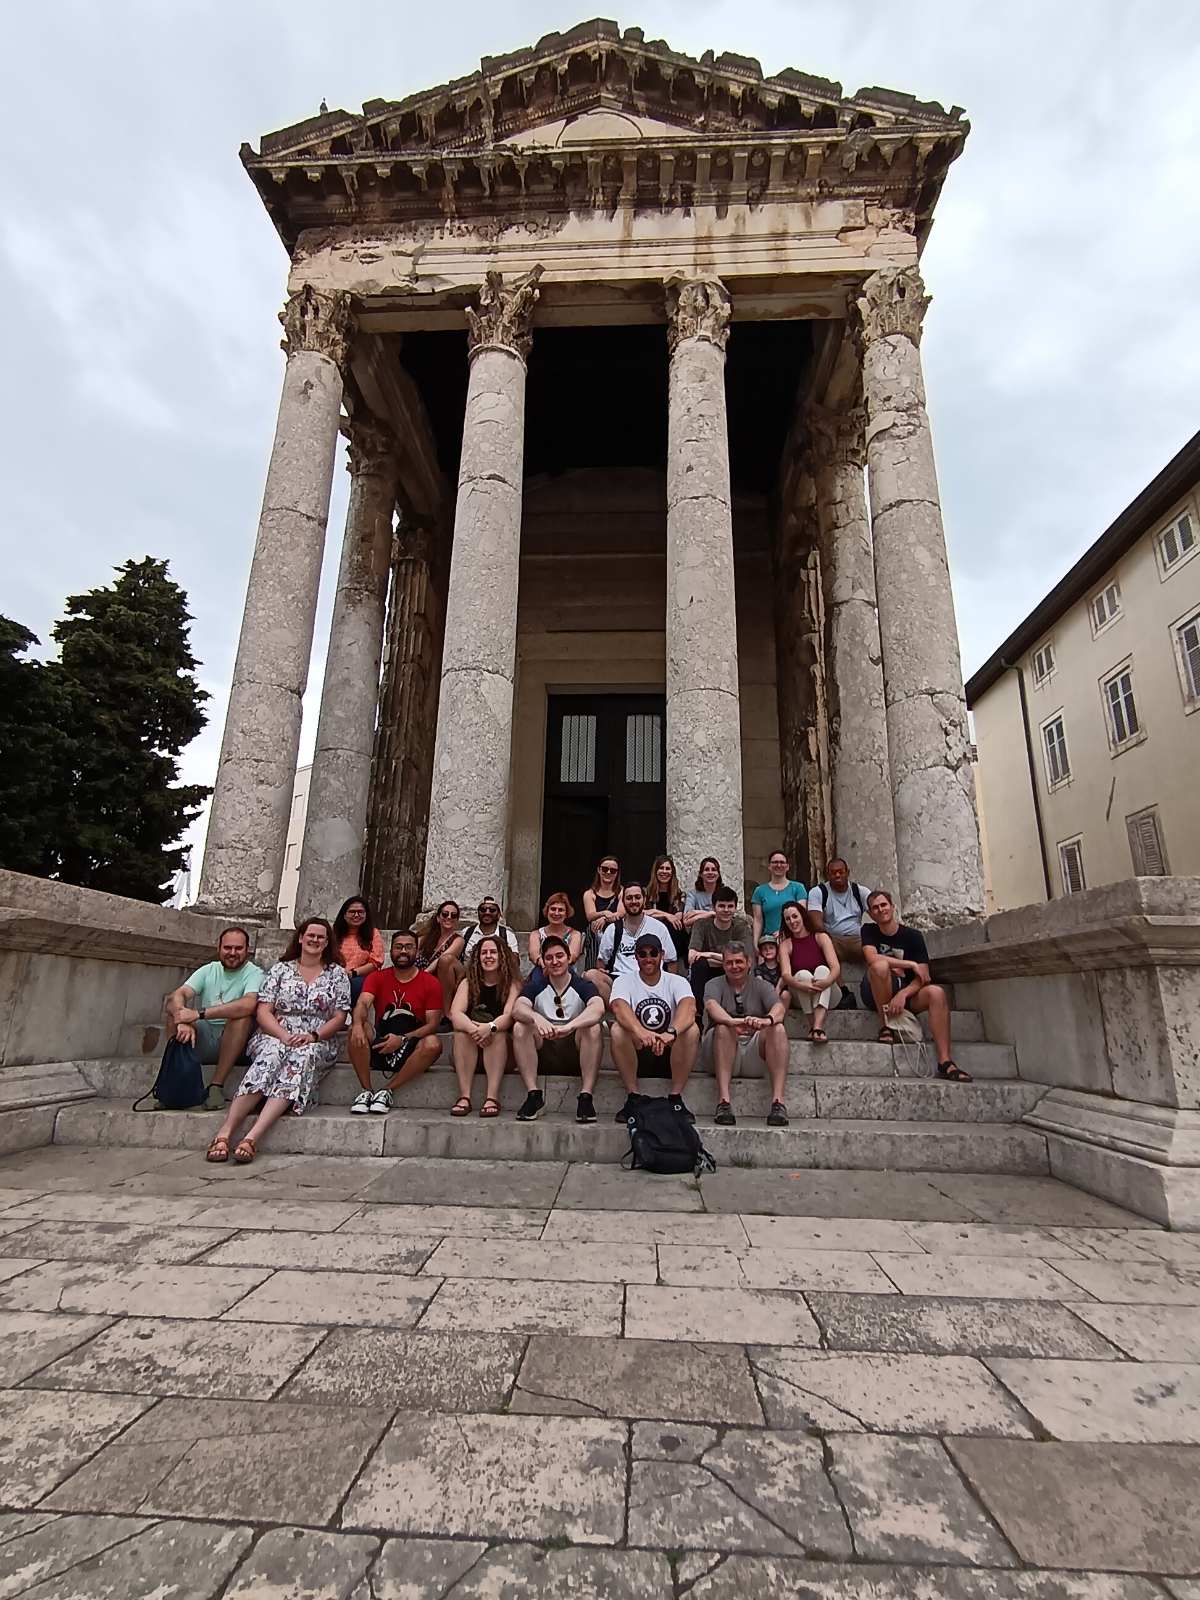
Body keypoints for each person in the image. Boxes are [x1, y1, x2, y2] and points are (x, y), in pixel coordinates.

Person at [205, 918, 349, 1165]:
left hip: (316, 1038)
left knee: (301, 1058)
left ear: (327, 942)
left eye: (320, 937)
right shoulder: (280, 970)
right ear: (301, 938)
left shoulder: (337, 974)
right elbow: (263, 1011)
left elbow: (340, 1016)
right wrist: (283, 1036)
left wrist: (312, 1036)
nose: (314, 940)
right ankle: (225, 1132)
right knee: (271, 1056)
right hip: (275, 1033)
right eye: (310, 935)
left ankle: (251, 1138)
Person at [860, 891, 971, 1080]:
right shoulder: (869, 930)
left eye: (884, 905)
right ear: (871, 914)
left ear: (893, 907)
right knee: (880, 966)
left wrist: (903, 995)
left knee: (936, 992)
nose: (881, 910)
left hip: (906, 993)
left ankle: (945, 1061)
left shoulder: (913, 936)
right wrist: (910, 964)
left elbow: (924, 976)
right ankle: (885, 1026)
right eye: (875, 908)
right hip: (876, 991)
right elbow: (872, 958)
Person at [165, 926, 264, 1111]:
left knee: (241, 1018)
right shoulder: (209, 969)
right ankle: (174, 1083)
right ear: (218, 948)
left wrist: (199, 1014)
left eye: (238, 948)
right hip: (206, 1036)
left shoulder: (255, 973)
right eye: (227, 948)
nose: (232, 953)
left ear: (247, 950)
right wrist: (182, 1018)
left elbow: (249, 1004)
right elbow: (177, 995)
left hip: (238, 1043)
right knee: (173, 1013)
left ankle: (216, 1087)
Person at [347, 930, 443, 1115]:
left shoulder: (430, 982)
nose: (403, 951)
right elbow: (363, 1003)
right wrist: (358, 1024)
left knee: (433, 1043)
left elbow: (432, 1025)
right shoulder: (377, 977)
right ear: (391, 950)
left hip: (410, 1044)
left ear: (417, 951)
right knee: (355, 1029)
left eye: (409, 947)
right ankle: (366, 1090)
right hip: (381, 1040)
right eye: (398, 947)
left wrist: (402, 1039)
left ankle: (386, 1091)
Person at [512, 935, 605, 1123]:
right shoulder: (536, 985)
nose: (555, 962)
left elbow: (598, 1008)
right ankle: (533, 1095)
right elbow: (518, 1008)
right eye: (549, 958)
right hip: (544, 1048)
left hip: (575, 1050)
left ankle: (586, 1097)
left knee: (593, 1028)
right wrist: (536, 1018)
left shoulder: (582, 984)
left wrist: (571, 1026)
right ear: (543, 961)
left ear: (569, 957)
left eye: (559, 956)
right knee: (520, 1027)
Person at [609, 932, 699, 1123]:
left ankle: (675, 1098)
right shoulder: (623, 981)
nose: (648, 958)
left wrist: (670, 1033)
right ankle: (633, 1097)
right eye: (643, 954)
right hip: (638, 1049)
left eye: (653, 953)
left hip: (671, 1051)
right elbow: (619, 1007)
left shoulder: (677, 981)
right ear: (636, 957)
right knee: (617, 1030)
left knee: (691, 1030)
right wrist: (642, 1033)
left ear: (662, 955)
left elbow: (689, 1007)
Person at [703, 942, 791, 1127]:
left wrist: (766, 1021)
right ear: (723, 964)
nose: (734, 967)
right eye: (729, 963)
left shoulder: (762, 985)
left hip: (753, 1050)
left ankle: (778, 1102)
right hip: (722, 1051)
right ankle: (724, 1102)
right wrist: (733, 1022)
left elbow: (779, 1008)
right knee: (723, 1027)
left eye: (739, 962)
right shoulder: (713, 984)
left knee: (778, 1029)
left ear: (749, 962)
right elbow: (712, 1007)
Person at [448, 934, 522, 1117]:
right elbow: (455, 1014)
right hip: (469, 1050)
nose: (488, 956)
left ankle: (492, 1097)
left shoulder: (512, 984)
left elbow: (509, 1016)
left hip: (501, 1053)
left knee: (498, 1033)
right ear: (477, 957)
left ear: (502, 956)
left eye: (493, 952)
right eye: (484, 953)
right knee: (460, 1032)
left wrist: (489, 1027)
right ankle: (464, 1096)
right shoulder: (468, 983)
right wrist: (475, 1030)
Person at [586, 881, 675, 1004]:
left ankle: (628, 1015)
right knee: (591, 975)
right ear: (623, 902)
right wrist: (602, 970)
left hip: (651, 979)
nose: (633, 901)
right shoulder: (613, 929)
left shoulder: (659, 927)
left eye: (637, 897)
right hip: (620, 980)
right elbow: (601, 962)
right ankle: (621, 1013)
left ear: (644, 900)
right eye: (629, 898)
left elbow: (671, 961)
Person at [778, 900, 842, 1043]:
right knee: (802, 974)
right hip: (802, 993)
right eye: (787, 919)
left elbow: (835, 968)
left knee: (822, 969)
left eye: (795, 916)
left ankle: (816, 1027)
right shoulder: (785, 945)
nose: (792, 921)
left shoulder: (821, 937)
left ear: (802, 916)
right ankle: (816, 1029)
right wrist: (803, 986)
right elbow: (786, 975)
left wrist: (826, 982)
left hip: (829, 991)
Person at [686, 884, 754, 1005]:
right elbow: (691, 957)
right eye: (722, 906)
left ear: (735, 908)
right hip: (707, 972)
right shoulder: (701, 924)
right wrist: (728, 959)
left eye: (730, 906)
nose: (726, 910)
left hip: (732, 971)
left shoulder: (741, 926)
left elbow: (746, 959)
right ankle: (698, 1014)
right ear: (713, 907)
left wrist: (709, 955)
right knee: (698, 965)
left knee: (738, 965)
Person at [808, 859, 873, 964]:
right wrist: (828, 941)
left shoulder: (860, 891)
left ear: (848, 872)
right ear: (827, 875)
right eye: (833, 873)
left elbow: (878, 913)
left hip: (857, 938)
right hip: (833, 938)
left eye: (841, 872)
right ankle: (837, 980)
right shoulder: (818, 892)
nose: (837, 875)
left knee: (874, 946)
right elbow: (816, 924)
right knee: (824, 943)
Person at [332, 896, 385, 1004]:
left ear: (366, 915)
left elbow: (376, 961)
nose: (356, 915)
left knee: (356, 984)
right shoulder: (333, 934)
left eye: (360, 912)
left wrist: (353, 973)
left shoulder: (373, 934)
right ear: (344, 915)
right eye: (352, 912)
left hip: (360, 978)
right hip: (335, 976)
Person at [416, 900, 467, 1012]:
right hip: (425, 978)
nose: (449, 917)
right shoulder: (425, 938)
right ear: (438, 918)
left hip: (447, 979)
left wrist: (422, 975)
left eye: (453, 915)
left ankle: (446, 1013)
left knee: (445, 960)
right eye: (445, 914)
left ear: (457, 921)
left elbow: (441, 959)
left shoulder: (458, 940)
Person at [751, 850, 808, 943]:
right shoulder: (759, 891)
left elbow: (801, 914)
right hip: (769, 942)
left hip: (793, 938)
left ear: (788, 866)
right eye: (775, 862)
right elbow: (758, 920)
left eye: (782, 862)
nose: (778, 865)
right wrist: (756, 942)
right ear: (769, 866)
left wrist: (784, 932)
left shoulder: (798, 888)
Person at [582, 856, 624, 972]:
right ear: (599, 870)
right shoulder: (590, 894)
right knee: (593, 927)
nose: (608, 872)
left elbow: (621, 913)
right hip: (596, 931)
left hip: (616, 929)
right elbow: (590, 915)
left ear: (617, 873)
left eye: (613, 870)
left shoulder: (621, 892)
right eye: (605, 869)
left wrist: (604, 919)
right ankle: (592, 968)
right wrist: (605, 913)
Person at [645, 855, 686, 971]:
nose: (664, 871)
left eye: (667, 869)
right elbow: (642, 913)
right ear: (655, 871)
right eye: (661, 868)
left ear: (672, 872)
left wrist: (655, 913)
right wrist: (666, 915)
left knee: (673, 927)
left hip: (673, 937)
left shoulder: (679, 895)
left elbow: (677, 918)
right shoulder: (645, 893)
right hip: (651, 933)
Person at [529, 891, 584, 969]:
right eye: (553, 909)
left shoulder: (575, 934)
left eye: (560, 910)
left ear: (566, 913)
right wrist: (546, 966)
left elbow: (572, 956)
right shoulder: (536, 934)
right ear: (547, 911)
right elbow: (534, 955)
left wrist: (556, 967)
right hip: (542, 971)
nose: (556, 913)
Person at [681, 857, 722, 931]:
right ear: (701, 874)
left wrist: (696, 912)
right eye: (706, 870)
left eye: (713, 870)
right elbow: (686, 920)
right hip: (700, 932)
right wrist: (711, 914)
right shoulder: (693, 894)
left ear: (718, 874)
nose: (710, 872)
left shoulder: (724, 893)